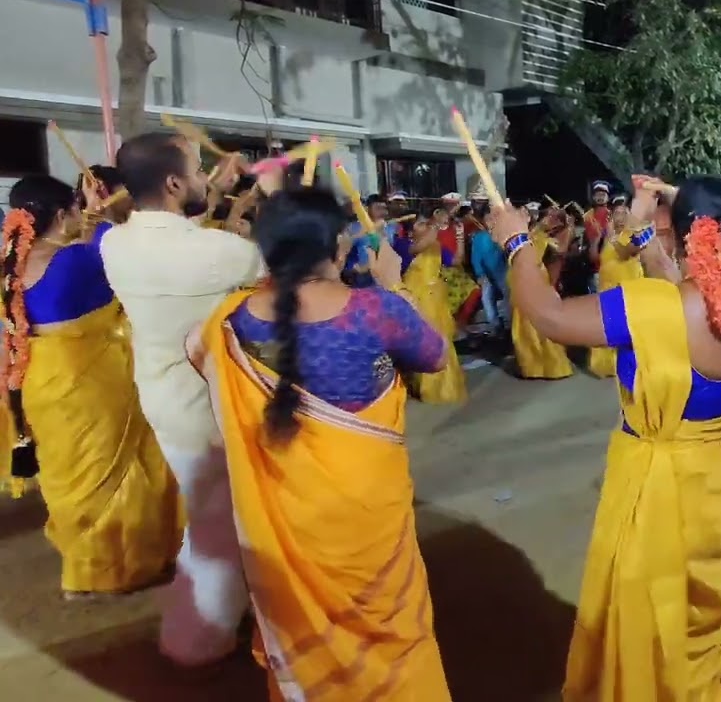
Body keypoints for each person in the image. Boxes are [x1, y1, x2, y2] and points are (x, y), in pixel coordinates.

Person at [494, 173, 721, 701]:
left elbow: (549, 315)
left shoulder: (651, 306)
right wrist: (665, 217)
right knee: (701, 625)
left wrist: (515, 242)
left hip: (666, 496)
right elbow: (684, 284)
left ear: (679, 228)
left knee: (654, 620)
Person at [187, 187, 452, 701]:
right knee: (390, 627)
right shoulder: (375, 309)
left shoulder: (231, 317)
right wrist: (394, 285)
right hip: (367, 515)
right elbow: (436, 356)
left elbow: (198, 357)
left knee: (303, 622)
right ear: (336, 245)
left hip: (284, 516)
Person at [101, 131, 261, 666]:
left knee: (213, 513)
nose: (203, 178)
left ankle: (221, 621)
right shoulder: (227, 252)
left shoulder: (113, 242)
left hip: (161, 395)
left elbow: (178, 237)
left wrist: (210, 196)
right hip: (206, 406)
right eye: (196, 169)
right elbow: (261, 269)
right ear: (174, 183)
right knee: (221, 527)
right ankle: (196, 643)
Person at [2, 175, 180, 599]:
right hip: (90, 383)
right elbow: (136, 252)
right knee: (112, 474)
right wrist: (103, 215)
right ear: (62, 215)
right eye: (74, 210)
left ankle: (81, 563)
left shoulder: (10, 265)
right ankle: (109, 573)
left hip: (39, 382)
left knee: (70, 474)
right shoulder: (79, 260)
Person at [402, 204, 468, 402]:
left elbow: (456, 261)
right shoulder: (404, 245)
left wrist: (459, 237)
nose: (426, 226)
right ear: (411, 230)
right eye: (421, 224)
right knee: (425, 340)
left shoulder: (436, 245)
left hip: (437, 297)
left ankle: (443, 385)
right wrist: (438, 222)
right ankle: (426, 387)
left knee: (443, 338)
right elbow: (423, 243)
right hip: (417, 297)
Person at [508, 207, 574, 380]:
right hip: (520, 278)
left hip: (538, 279)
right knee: (523, 325)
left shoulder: (551, 239)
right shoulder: (524, 234)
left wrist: (569, 229)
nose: (549, 220)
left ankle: (552, 365)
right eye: (548, 216)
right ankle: (532, 367)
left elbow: (561, 253)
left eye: (554, 218)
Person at [586, 196, 644, 378]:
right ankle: (607, 364)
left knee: (628, 325)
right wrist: (598, 238)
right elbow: (594, 258)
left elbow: (624, 252)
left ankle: (632, 363)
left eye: (622, 213)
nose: (619, 217)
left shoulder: (634, 235)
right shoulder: (606, 235)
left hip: (628, 287)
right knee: (607, 325)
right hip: (606, 287)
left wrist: (611, 236)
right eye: (616, 213)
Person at [470, 204, 509, 334]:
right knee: (486, 298)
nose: (490, 222)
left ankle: (513, 323)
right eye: (487, 220)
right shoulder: (479, 237)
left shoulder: (504, 234)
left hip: (503, 271)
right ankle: (495, 325)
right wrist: (479, 274)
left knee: (509, 296)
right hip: (486, 272)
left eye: (492, 219)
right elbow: (475, 257)